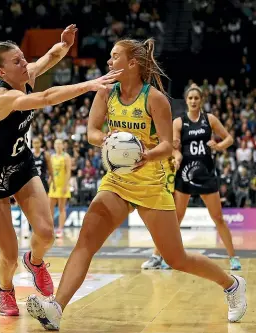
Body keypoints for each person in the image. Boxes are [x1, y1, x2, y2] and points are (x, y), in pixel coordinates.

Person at [26, 38, 247, 330]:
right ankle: (56, 308)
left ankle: (232, 285)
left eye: (114, 56)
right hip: (117, 181)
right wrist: (104, 139)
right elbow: (92, 130)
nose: (108, 61)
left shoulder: (154, 98)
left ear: (132, 64)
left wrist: (148, 154)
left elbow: (168, 146)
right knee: (85, 243)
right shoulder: (105, 92)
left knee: (176, 258)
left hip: (151, 185)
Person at [0, 5, 120, 316]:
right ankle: (5, 290)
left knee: (46, 233)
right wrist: (88, 85)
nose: (25, 64)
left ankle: (34, 262)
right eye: (18, 62)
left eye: (24, 58)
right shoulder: (2, 97)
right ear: (1, 73)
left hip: (21, 164)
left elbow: (49, 58)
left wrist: (64, 44)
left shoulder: (27, 74)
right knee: (7, 254)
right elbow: (47, 98)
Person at [142, 84, 241, 271]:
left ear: (201, 100)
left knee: (218, 218)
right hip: (185, 175)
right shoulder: (179, 122)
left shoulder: (209, 119)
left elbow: (229, 138)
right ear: (186, 101)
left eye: (196, 98)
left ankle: (233, 257)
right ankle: (158, 256)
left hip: (206, 175)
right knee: (175, 219)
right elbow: (173, 146)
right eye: (190, 98)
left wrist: (219, 146)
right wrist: (176, 155)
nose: (193, 101)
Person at [48, 139, 71, 238]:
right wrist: (49, 181)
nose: (58, 145)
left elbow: (68, 172)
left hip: (62, 185)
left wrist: (66, 186)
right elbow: (51, 171)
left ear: (63, 146)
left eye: (59, 144)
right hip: (54, 185)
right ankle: (50, 228)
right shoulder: (52, 157)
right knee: (50, 208)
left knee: (61, 208)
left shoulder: (66, 157)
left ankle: (60, 229)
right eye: (56, 144)